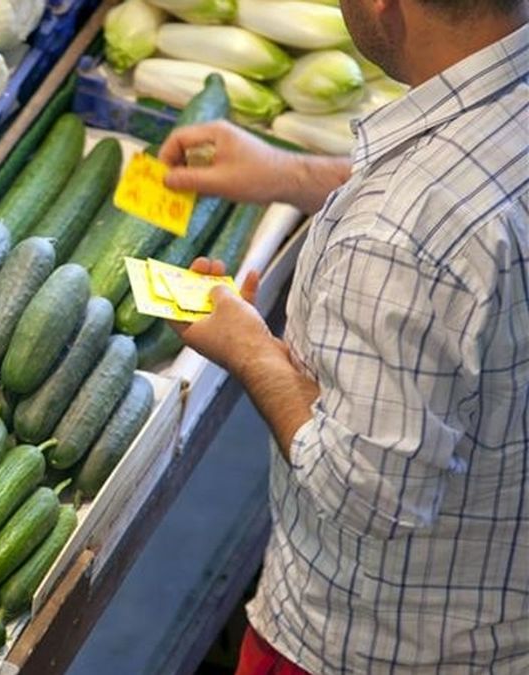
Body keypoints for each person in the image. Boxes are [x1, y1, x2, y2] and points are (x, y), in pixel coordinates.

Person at [156, 0, 529, 671]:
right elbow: (471, 182)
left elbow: (364, 490)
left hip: (368, 648)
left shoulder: (401, 237)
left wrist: (249, 346)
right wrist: (290, 174)